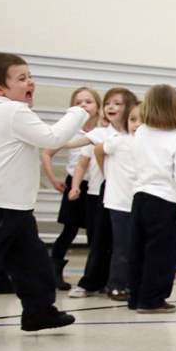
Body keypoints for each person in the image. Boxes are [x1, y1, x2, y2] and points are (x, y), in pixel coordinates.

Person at [0, 53, 88, 340]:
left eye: (30, 76)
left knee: (33, 262)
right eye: (21, 78)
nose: (30, 82)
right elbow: (52, 139)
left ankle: (39, 312)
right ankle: (38, 310)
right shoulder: (13, 112)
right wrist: (78, 111)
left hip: (9, 206)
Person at [68, 87, 135, 298]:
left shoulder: (136, 132)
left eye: (117, 103)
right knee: (99, 241)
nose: (111, 107)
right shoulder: (99, 133)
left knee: (125, 243)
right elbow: (72, 144)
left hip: (129, 195)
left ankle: (123, 282)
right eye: (108, 103)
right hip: (101, 193)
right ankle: (91, 282)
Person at [128, 84, 176, 313]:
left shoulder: (141, 132)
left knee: (138, 249)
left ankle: (135, 296)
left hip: (140, 196)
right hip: (165, 201)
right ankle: (152, 299)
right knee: (162, 254)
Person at [42, 87, 101, 290]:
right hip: (75, 183)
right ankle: (54, 270)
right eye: (78, 102)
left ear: (98, 106)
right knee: (69, 229)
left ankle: (94, 275)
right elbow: (46, 153)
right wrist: (53, 178)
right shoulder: (69, 130)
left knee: (95, 231)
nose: (83, 105)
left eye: (88, 101)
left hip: (96, 186)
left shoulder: (103, 128)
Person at [99, 101, 142, 301]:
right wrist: (107, 174)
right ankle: (116, 285)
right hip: (119, 203)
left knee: (135, 247)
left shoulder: (149, 145)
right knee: (122, 247)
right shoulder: (120, 140)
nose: (136, 124)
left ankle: (132, 284)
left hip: (138, 203)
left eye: (142, 120)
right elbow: (99, 150)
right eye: (133, 119)